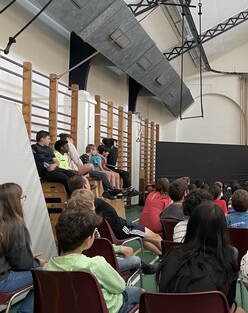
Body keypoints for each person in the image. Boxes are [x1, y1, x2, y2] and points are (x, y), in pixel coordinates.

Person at [46, 209, 143, 313]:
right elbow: (119, 287)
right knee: (141, 293)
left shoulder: (48, 267)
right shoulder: (95, 264)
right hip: (108, 308)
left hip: (72, 307)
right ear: (88, 240)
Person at [157, 203, 242, 312]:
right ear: (222, 231)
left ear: (191, 227)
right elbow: (228, 304)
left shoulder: (171, 255)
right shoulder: (226, 261)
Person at [66, 189, 156, 275]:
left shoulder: (66, 228)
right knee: (135, 260)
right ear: (90, 208)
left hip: (83, 264)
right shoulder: (91, 230)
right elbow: (117, 286)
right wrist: (118, 249)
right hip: (96, 265)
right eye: (93, 205)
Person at [68, 175, 162, 255]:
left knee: (149, 238)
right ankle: (170, 259)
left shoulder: (74, 205)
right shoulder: (90, 203)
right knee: (156, 238)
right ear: (85, 186)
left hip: (121, 224)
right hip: (122, 229)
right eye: (88, 182)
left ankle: (162, 255)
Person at [0, 183, 46, 313]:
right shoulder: (15, 225)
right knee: (47, 275)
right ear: (15, 202)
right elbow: (21, 264)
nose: (24, 199)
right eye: (22, 197)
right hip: (3, 282)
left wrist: (29, 257)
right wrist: (37, 262)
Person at [32, 130, 77, 195]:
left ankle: (79, 193)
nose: (50, 141)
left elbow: (57, 161)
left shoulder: (49, 149)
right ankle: (71, 196)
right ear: (42, 139)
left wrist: (54, 165)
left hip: (55, 169)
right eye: (48, 139)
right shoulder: (34, 148)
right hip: (45, 172)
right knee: (65, 178)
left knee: (74, 176)